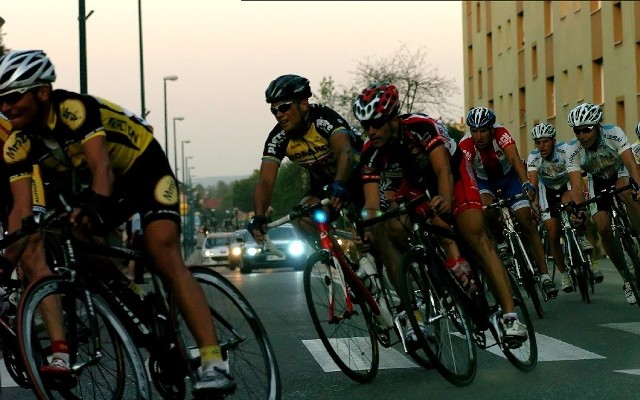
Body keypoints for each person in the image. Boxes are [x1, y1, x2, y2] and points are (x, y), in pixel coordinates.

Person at [0, 50, 234, 393]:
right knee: (70, 237)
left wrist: (93, 209)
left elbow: (102, 169)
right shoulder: (17, 145)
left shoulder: (74, 110)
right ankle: (133, 295)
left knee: (161, 251)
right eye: (1, 102)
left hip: (142, 169)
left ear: (42, 92)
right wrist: (6, 263)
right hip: (103, 183)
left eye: (13, 98)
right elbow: (22, 211)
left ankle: (214, 361)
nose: (6, 108)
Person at [352, 82, 528, 344]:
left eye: (376, 123)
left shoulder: (420, 127)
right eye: (365, 126)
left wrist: (445, 202)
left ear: (393, 118)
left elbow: (443, 170)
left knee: (474, 234)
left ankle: (511, 318)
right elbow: (371, 206)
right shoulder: (370, 152)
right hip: (415, 186)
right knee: (392, 228)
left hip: (453, 175)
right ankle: (432, 272)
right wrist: (366, 230)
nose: (371, 131)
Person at [248, 74, 364, 245]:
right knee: (303, 219)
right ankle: (341, 266)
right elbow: (265, 181)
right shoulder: (278, 138)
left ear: (303, 104)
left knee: (377, 235)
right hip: (324, 186)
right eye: (274, 110)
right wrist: (259, 216)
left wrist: (340, 182)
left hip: (358, 177)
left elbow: (344, 151)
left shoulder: (323, 119)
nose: (279, 114)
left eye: (285, 107)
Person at [459, 107, 559, 300]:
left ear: (491, 129)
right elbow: (467, 174)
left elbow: (514, 159)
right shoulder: (466, 144)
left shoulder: (501, 133)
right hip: (484, 181)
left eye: (483, 131)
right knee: (486, 207)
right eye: (474, 131)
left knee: (525, 220)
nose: (479, 136)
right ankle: (501, 242)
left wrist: (526, 183)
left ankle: (545, 275)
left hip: (509, 178)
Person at [565, 102, 640, 305]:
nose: (582, 136)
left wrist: (638, 186)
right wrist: (579, 210)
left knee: (624, 191)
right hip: (597, 179)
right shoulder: (572, 150)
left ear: (598, 125)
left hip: (619, 171)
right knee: (602, 227)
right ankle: (627, 278)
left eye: (587, 129)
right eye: (577, 131)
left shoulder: (613, 133)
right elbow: (576, 187)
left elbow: (630, 163)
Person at [526, 123, 603, 294]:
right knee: (552, 233)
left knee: (578, 213)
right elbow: (533, 183)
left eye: (545, 142)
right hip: (547, 191)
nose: (541, 146)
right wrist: (534, 204)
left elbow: (575, 176)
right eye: (538, 143)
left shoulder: (565, 150)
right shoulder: (533, 157)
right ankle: (563, 274)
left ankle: (593, 261)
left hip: (566, 185)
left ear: (553, 141)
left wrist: (582, 193)